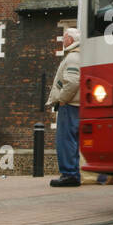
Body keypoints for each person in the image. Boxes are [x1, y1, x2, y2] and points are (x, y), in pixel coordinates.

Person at [46, 27, 82, 187]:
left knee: (66, 140)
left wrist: (62, 99)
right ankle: (72, 173)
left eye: (65, 37)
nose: (62, 40)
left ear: (71, 40)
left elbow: (73, 81)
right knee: (72, 140)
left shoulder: (73, 57)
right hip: (74, 104)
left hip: (69, 105)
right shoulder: (76, 55)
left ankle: (69, 174)